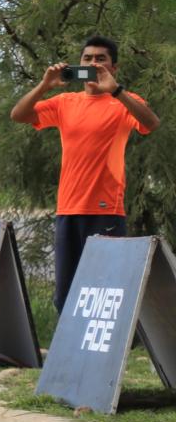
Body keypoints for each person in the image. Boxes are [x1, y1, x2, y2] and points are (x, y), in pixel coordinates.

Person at [10, 35, 160, 312]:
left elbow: (150, 123)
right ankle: (69, 353)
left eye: (100, 59)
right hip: (68, 208)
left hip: (106, 210)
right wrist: (45, 85)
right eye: (87, 59)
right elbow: (18, 115)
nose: (93, 63)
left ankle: (109, 351)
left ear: (113, 68)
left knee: (104, 291)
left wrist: (117, 91)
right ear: (79, 64)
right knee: (65, 295)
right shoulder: (65, 102)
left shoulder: (124, 102)